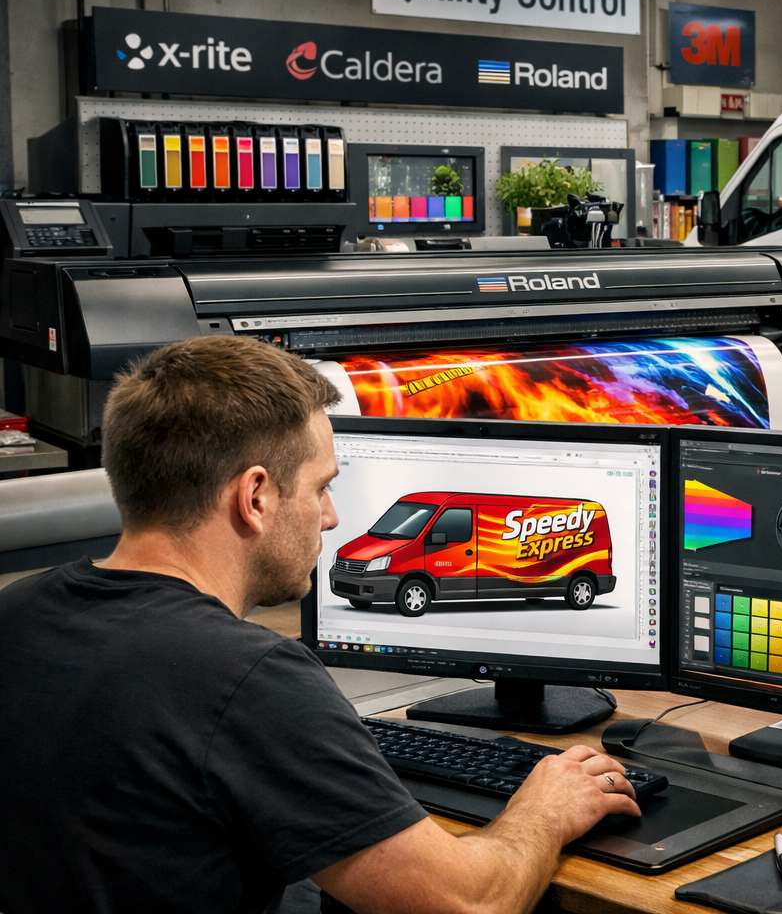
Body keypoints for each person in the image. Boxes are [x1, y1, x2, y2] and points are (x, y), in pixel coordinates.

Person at [0, 336, 641, 914]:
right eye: (320, 487)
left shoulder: (17, 613)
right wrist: (543, 811)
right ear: (255, 497)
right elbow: (469, 903)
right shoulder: (246, 678)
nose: (331, 517)